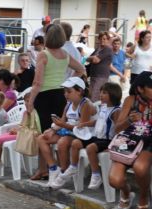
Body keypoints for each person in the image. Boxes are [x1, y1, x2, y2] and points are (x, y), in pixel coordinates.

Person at [27, 24, 85, 180]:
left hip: (44, 96)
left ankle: (46, 169)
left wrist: (30, 101)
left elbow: (37, 82)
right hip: (60, 96)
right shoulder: (65, 54)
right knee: (54, 133)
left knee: (43, 135)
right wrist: (67, 83)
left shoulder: (43, 55)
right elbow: (81, 69)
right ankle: (53, 168)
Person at [52, 82, 122, 189]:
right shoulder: (103, 107)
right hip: (97, 137)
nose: (101, 95)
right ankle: (73, 167)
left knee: (90, 147)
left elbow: (119, 130)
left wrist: (113, 146)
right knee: (76, 143)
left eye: (104, 93)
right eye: (101, 92)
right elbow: (98, 121)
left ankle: (96, 174)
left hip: (107, 140)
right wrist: (84, 124)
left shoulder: (116, 111)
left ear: (113, 94)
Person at [37, 77, 96, 186]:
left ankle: (63, 171)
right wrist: (52, 129)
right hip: (68, 131)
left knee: (62, 142)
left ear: (80, 91)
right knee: (42, 138)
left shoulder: (85, 104)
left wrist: (60, 125)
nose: (65, 94)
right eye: (65, 91)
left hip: (81, 135)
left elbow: (81, 127)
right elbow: (63, 120)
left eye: (69, 91)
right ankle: (53, 168)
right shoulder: (69, 103)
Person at [109, 71, 152, 209]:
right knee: (114, 180)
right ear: (140, 88)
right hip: (128, 141)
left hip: (148, 143)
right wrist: (129, 120)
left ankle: (143, 195)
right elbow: (117, 128)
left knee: (140, 168)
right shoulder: (130, 100)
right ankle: (126, 191)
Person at [0, 92, 41, 174]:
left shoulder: (34, 114)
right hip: (20, 133)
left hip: (25, 135)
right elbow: (21, 125)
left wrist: (18, 130)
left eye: (29, 101)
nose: (26, 103)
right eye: (25, 101)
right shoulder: (26, 113)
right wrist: (16, 129)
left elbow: (34, 128)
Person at [87, 31, 113, 102]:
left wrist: (92, 58)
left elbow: (96, 60)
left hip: (101, 76)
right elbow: (87, 59)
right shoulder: (97, 49)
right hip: (94, 76)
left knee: (94, 97)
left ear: (108, 40)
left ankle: (94, 112)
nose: (102, 40)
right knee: (91, 95)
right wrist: (92, 57)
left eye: (104, 39)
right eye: (101, 38)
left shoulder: (107, 49)